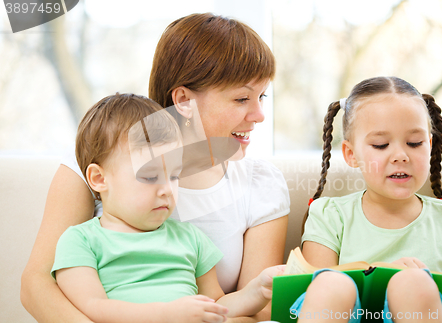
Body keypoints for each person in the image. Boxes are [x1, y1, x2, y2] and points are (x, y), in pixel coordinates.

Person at [21, 13, 290, 323]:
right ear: (184, 101)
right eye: (242, 98)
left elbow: (258, 310)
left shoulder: (260, 185)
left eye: (262, 97)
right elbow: (36, 284)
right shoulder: (100, 159)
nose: (259, 115)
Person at [52, 93, 283, 323]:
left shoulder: (190, 238)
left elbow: (216, 306)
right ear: (99, 178)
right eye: (151, 176)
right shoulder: (80, 241)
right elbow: (93, 308)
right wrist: (166, 315)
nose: (167, 190)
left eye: (174, 175)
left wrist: (257, 291)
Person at [296, 77, 442, 323]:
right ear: (351, 154)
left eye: (414, 143)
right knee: (329, 284)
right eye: (381, 145)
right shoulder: (329, 215)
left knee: (414, 283)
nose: (400, 155)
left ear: (429, 146)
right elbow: (315, 283)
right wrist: (380, 270)